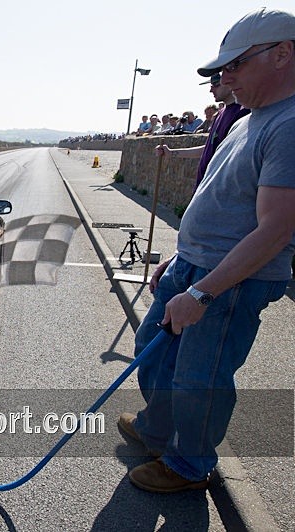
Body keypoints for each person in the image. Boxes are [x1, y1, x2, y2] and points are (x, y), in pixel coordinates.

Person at [122, 7, 295, 493]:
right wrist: (179, 258)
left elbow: (275, 230)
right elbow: (218, 198)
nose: (226, 78)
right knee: (152, 355)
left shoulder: (290, 125)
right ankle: (157, 431)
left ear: (282, 54)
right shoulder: (251, 117)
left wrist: (202, 294)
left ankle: (189, 464)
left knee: (200, 377)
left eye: (235, 65)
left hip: (230, 282)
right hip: (194, 265)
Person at [155, 73, 250, 190]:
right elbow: (209, 149)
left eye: (215, 84)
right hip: (205, 187)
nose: (211, 89)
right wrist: (171, 152)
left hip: (221, 192)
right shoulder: (220, 114)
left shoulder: (243, 113)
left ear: (228, 82)